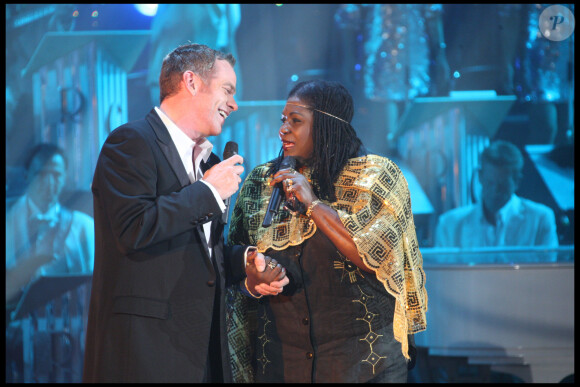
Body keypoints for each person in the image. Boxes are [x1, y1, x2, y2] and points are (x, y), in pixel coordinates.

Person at [82, 43, 288, 383]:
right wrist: (207, 192)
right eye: (227, 90)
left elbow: (199, 250)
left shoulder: (207, 163)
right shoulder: (131, 142)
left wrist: (243, 263)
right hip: (144, 355)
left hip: (201, 353)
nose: (234, 104)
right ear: (191, 82)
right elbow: (134, 228)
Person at [226, 80, 428, 383]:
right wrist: (252, 277)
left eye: (296, 121)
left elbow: (374, 255)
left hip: (363, 364)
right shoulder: (262, 183)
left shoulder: (377, 176)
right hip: (282, 363)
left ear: (324, 126)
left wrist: (313, 204)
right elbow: (233, 258)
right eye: (283, 120)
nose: (283, 129)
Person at [6, 143, 94, 382]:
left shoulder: (82, 227)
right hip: (14, 345)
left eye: (55, 174)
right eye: (41, 174)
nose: (49, 182)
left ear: (65, 177)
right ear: (27, 175)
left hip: (70, 343)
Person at [334, 4, 450, 154]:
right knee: (382, 132)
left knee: (416, 134)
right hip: (380, 57)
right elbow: (349, 12)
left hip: (415, 59)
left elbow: (432, 12)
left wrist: (440, 56)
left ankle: (412, 169)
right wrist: (348, 58)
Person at [434, 140, 559, 249]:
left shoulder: (540, 219)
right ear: (480, 177)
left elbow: (548, 273)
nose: (495, 191)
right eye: (490, 183)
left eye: (502, 185)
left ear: (517, 182)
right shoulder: (449, 224)